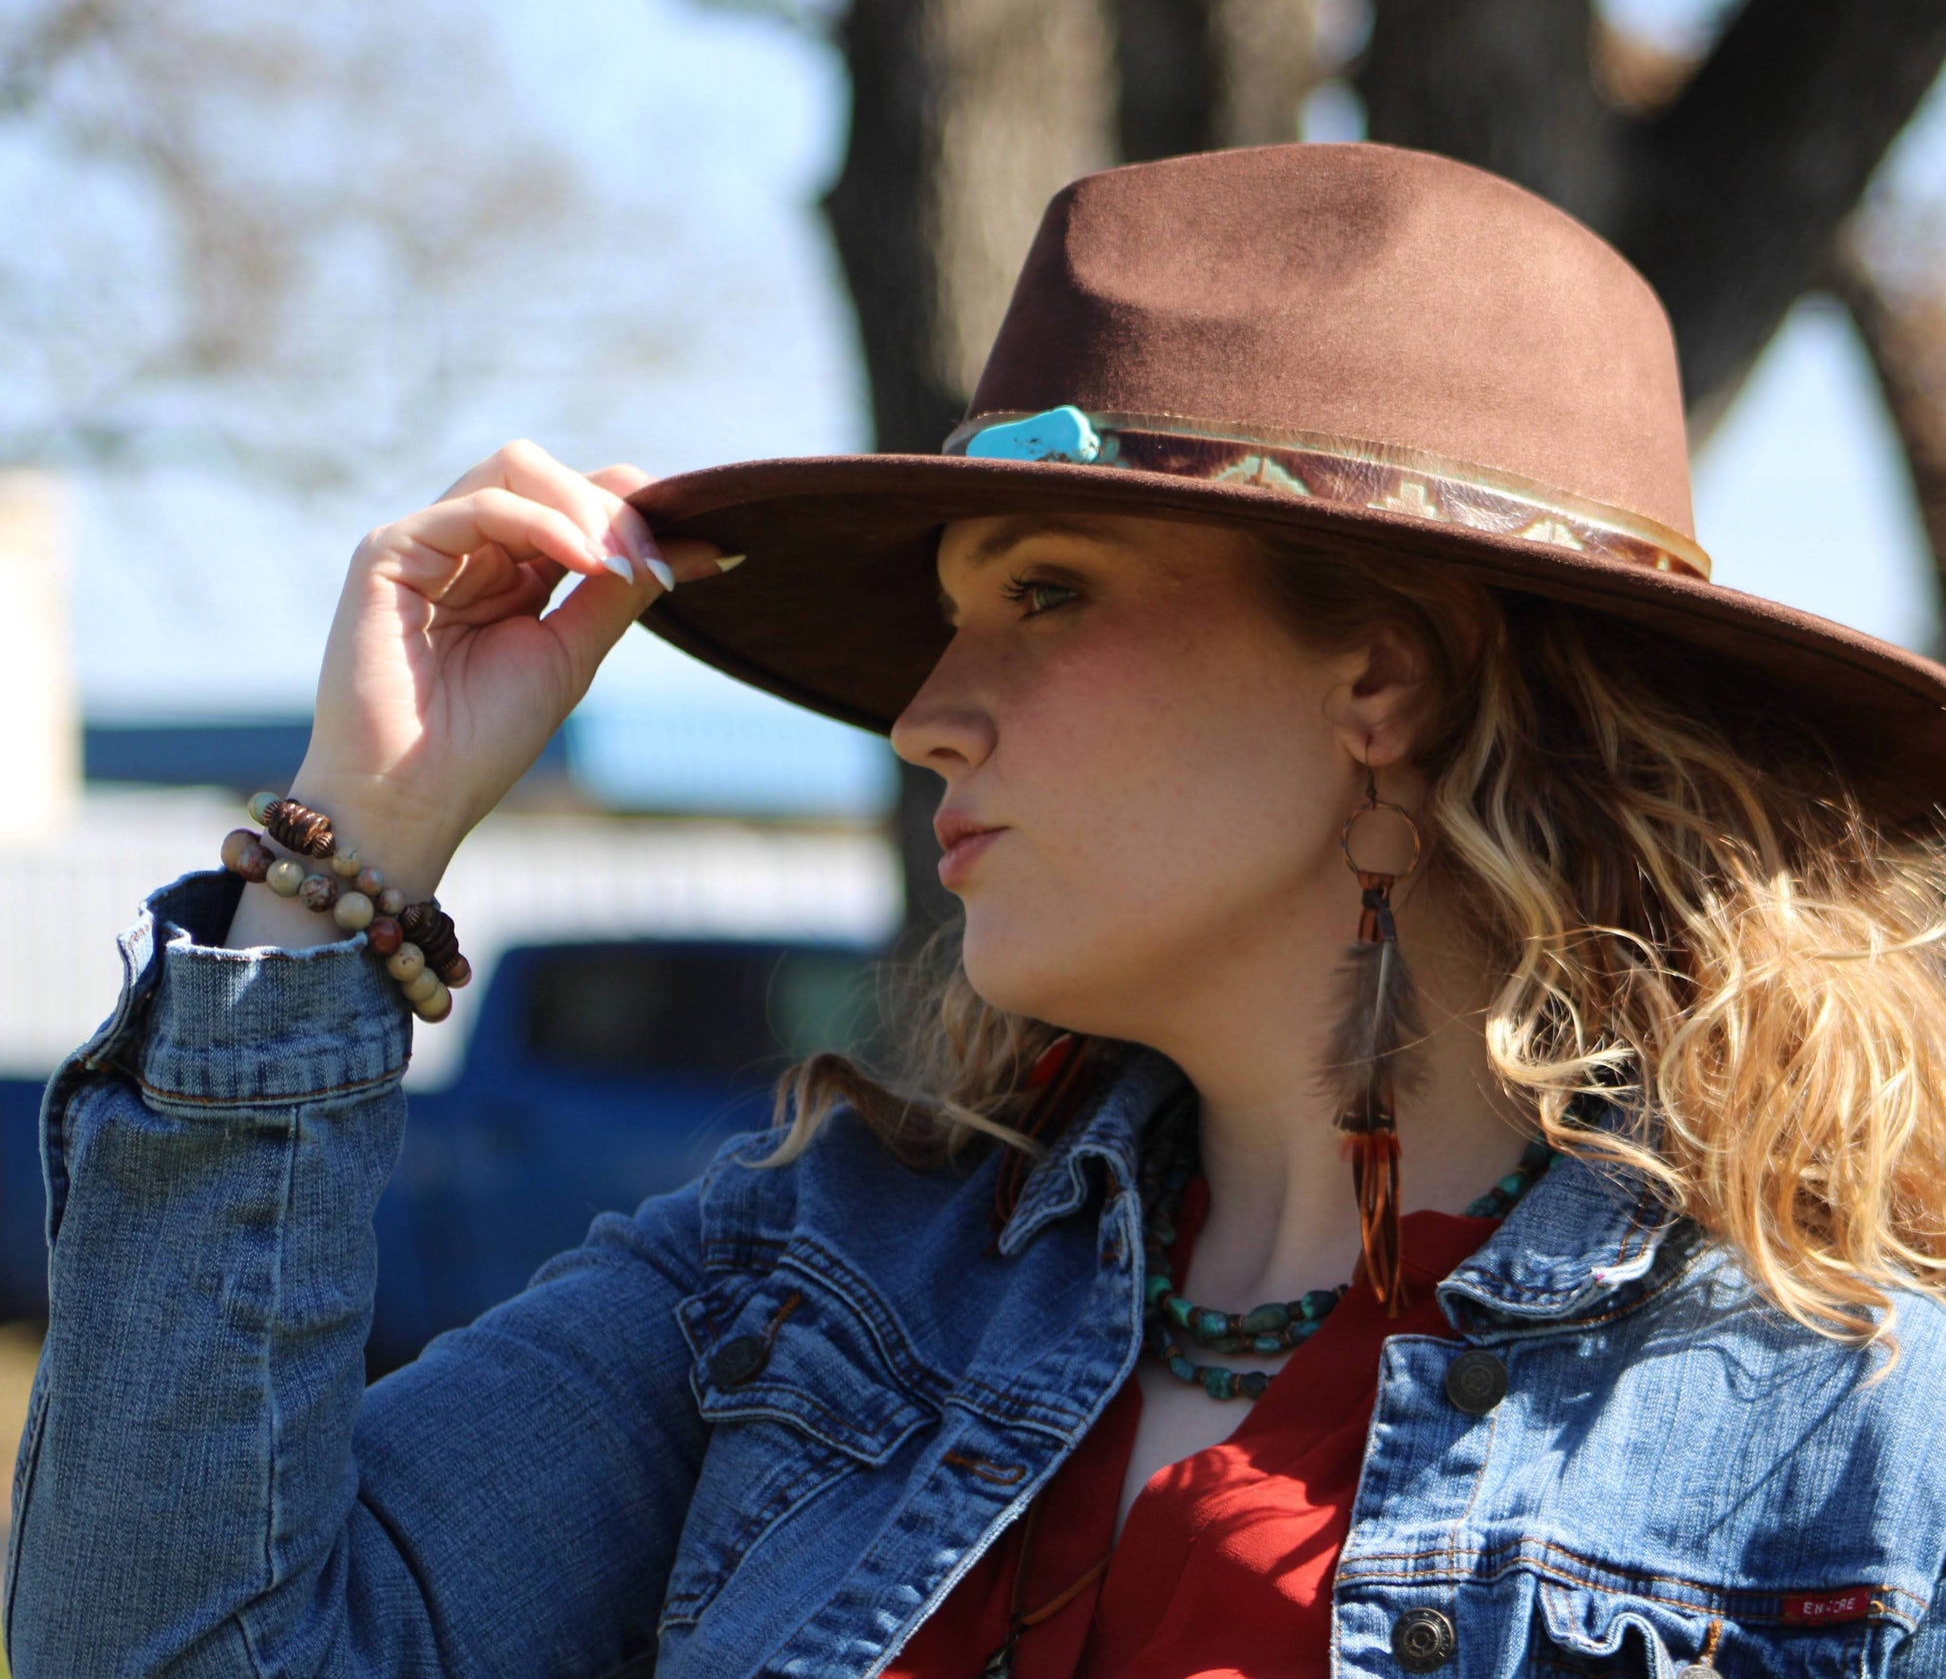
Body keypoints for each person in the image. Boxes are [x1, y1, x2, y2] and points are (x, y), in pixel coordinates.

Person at [11, 141, 1946, 1679]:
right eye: (949, 615)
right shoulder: (799, 1292)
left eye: (1042, 594)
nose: (927, 720)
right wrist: (344, 854)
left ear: (1387, 683)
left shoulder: (1848, 1422)